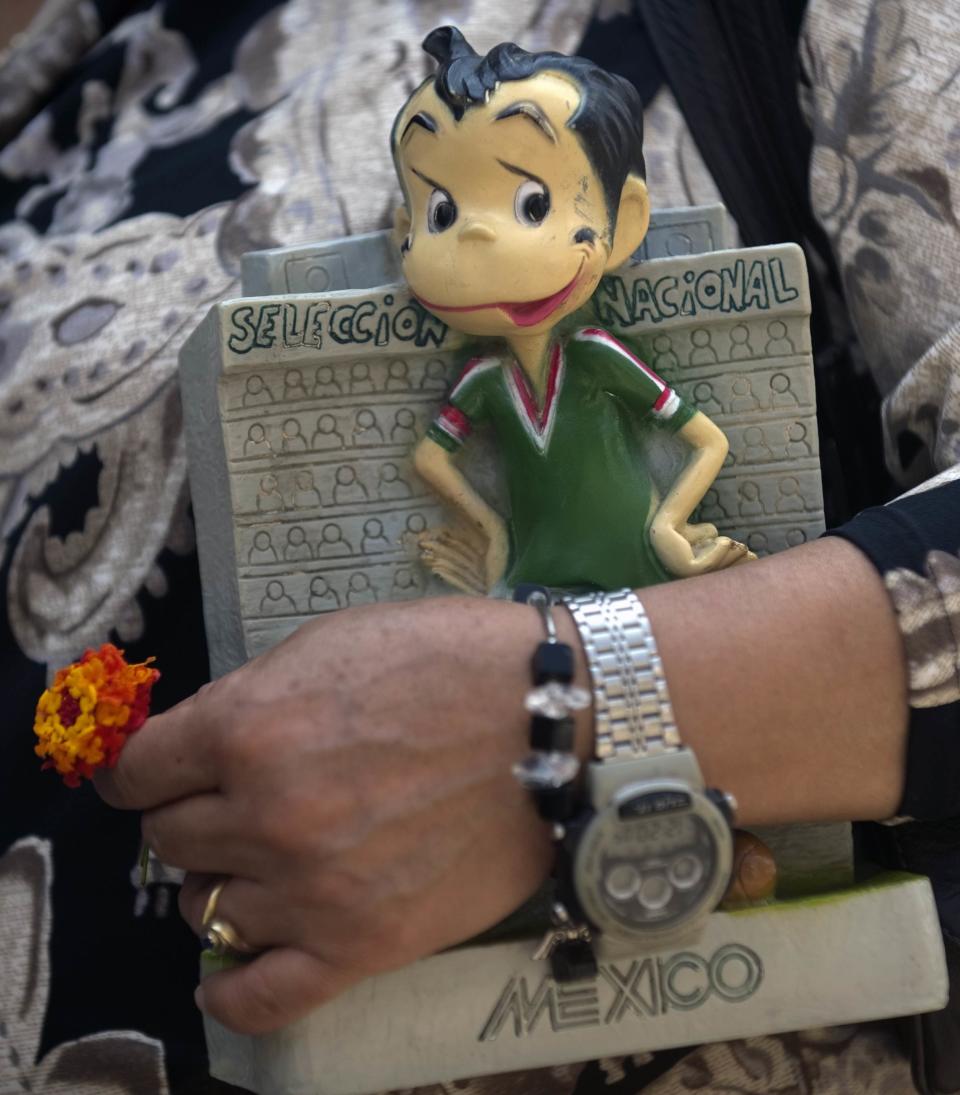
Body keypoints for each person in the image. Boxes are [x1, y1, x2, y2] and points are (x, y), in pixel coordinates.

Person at [1, 3, 958, 1095]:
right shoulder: (106, 50)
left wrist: (567, 708)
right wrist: (490, 535)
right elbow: (453, 459)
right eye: (442, 211)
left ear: (623, 218)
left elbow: (688, 436)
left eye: (530, 200)